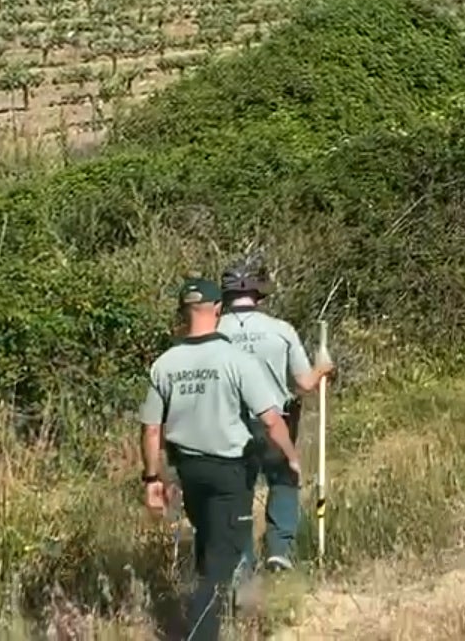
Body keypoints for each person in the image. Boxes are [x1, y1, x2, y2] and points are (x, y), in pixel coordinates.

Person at [139, 275, 301, 641]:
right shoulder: (236, 360)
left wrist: (152, 480)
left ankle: (231, 618)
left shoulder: (164, 364)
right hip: (229, 472)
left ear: (184, 311)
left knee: (209, 542)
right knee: (221, 563)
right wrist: (290, 457)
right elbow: (271, 420)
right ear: (216, 309)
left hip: (189, 471)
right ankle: (201, 632)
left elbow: (151, 430)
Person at [217, 255, 334, 573]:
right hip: (274, 424)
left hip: (227, 428)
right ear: (258, 292)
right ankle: (279, 550)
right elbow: (304, 383)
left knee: (236, 492)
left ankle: (241, 561)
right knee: (284, 479)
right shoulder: (280, 330)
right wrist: (323, 367)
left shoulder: (212, 333)